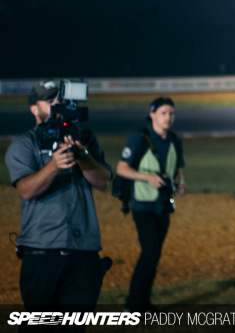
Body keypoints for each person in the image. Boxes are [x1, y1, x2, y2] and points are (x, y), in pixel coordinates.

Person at [4, 79, 112, 330]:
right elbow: (26, 190)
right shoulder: (24, 143)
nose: (57, 105)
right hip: (42, 254)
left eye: (60, 100)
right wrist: (54, 165)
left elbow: (103, 181)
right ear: (34, 109)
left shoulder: (83, 140)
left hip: (83, 253)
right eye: (49, 101)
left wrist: (82, 156)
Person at [116, 96, 187, 312]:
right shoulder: (139, 138)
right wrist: (147, 177)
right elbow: (121, 169)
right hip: (142, 205)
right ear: (152, 114)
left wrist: (180, 184)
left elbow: (177, 170)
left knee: (153, 255)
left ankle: (143, 303)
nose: (168, 117)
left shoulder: (174, 140)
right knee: (151, 252)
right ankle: (134, 304)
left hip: (163, 205)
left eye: (171, 113)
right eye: (164, 113)